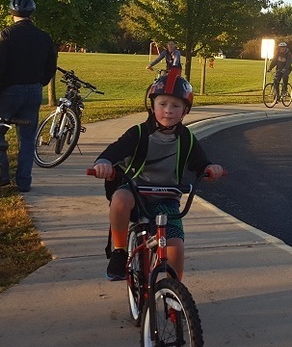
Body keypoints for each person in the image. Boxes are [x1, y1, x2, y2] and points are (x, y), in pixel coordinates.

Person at [89, 70, 226, 281]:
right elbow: (112, 153)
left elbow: (200, 164)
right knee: (119, 199)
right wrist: (103, 163)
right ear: (152, 106)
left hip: (167, 199)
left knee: (176, 248)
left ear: (185, 111)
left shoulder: (187, 139)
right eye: (162, 104)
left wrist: (210, 169)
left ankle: (174, 296)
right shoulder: (139, 133)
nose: (168, 111)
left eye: (176, 106)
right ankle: (119, 251)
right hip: (136, 193)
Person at [0, 0, 58, 193]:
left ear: (11, 13)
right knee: (27, 139)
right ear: (31, 13)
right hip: (34, 91)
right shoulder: (44, 37)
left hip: (9, 90)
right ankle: (24, 181)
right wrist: (40, 82)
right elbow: (51, 65)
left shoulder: (7, 34)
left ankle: (2, 175)